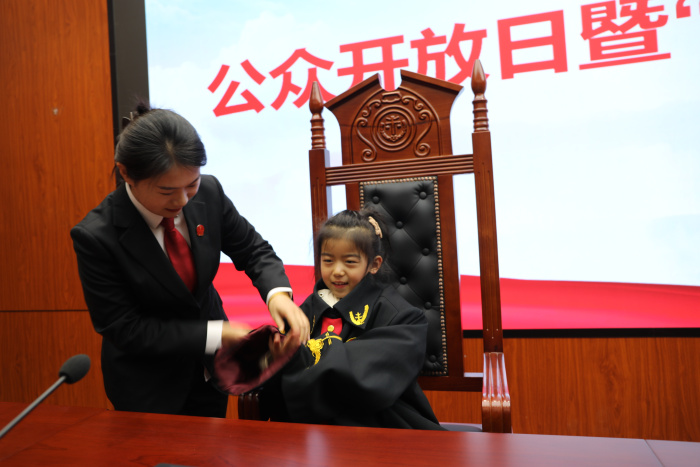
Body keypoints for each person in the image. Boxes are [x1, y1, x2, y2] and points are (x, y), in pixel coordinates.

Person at [71, 104, 309, 417]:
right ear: (126, 173)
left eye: (191, 184)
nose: (183, 200)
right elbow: (125, 328)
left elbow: (252, 249)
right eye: (167, 191)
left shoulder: (209, 193)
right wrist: (216, 334)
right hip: (148, 386)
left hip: (211, 373)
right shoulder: (96, 236)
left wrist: (278, 295)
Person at [215, 209, 445, 430]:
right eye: (328, 261)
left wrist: (295, 360)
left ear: (374, 264)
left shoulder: (403, 318)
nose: (337, 271)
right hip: (310, 433)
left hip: (378, 431)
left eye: (350, 262)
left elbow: (362, 383)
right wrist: (272, 357)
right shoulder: (305, 311)